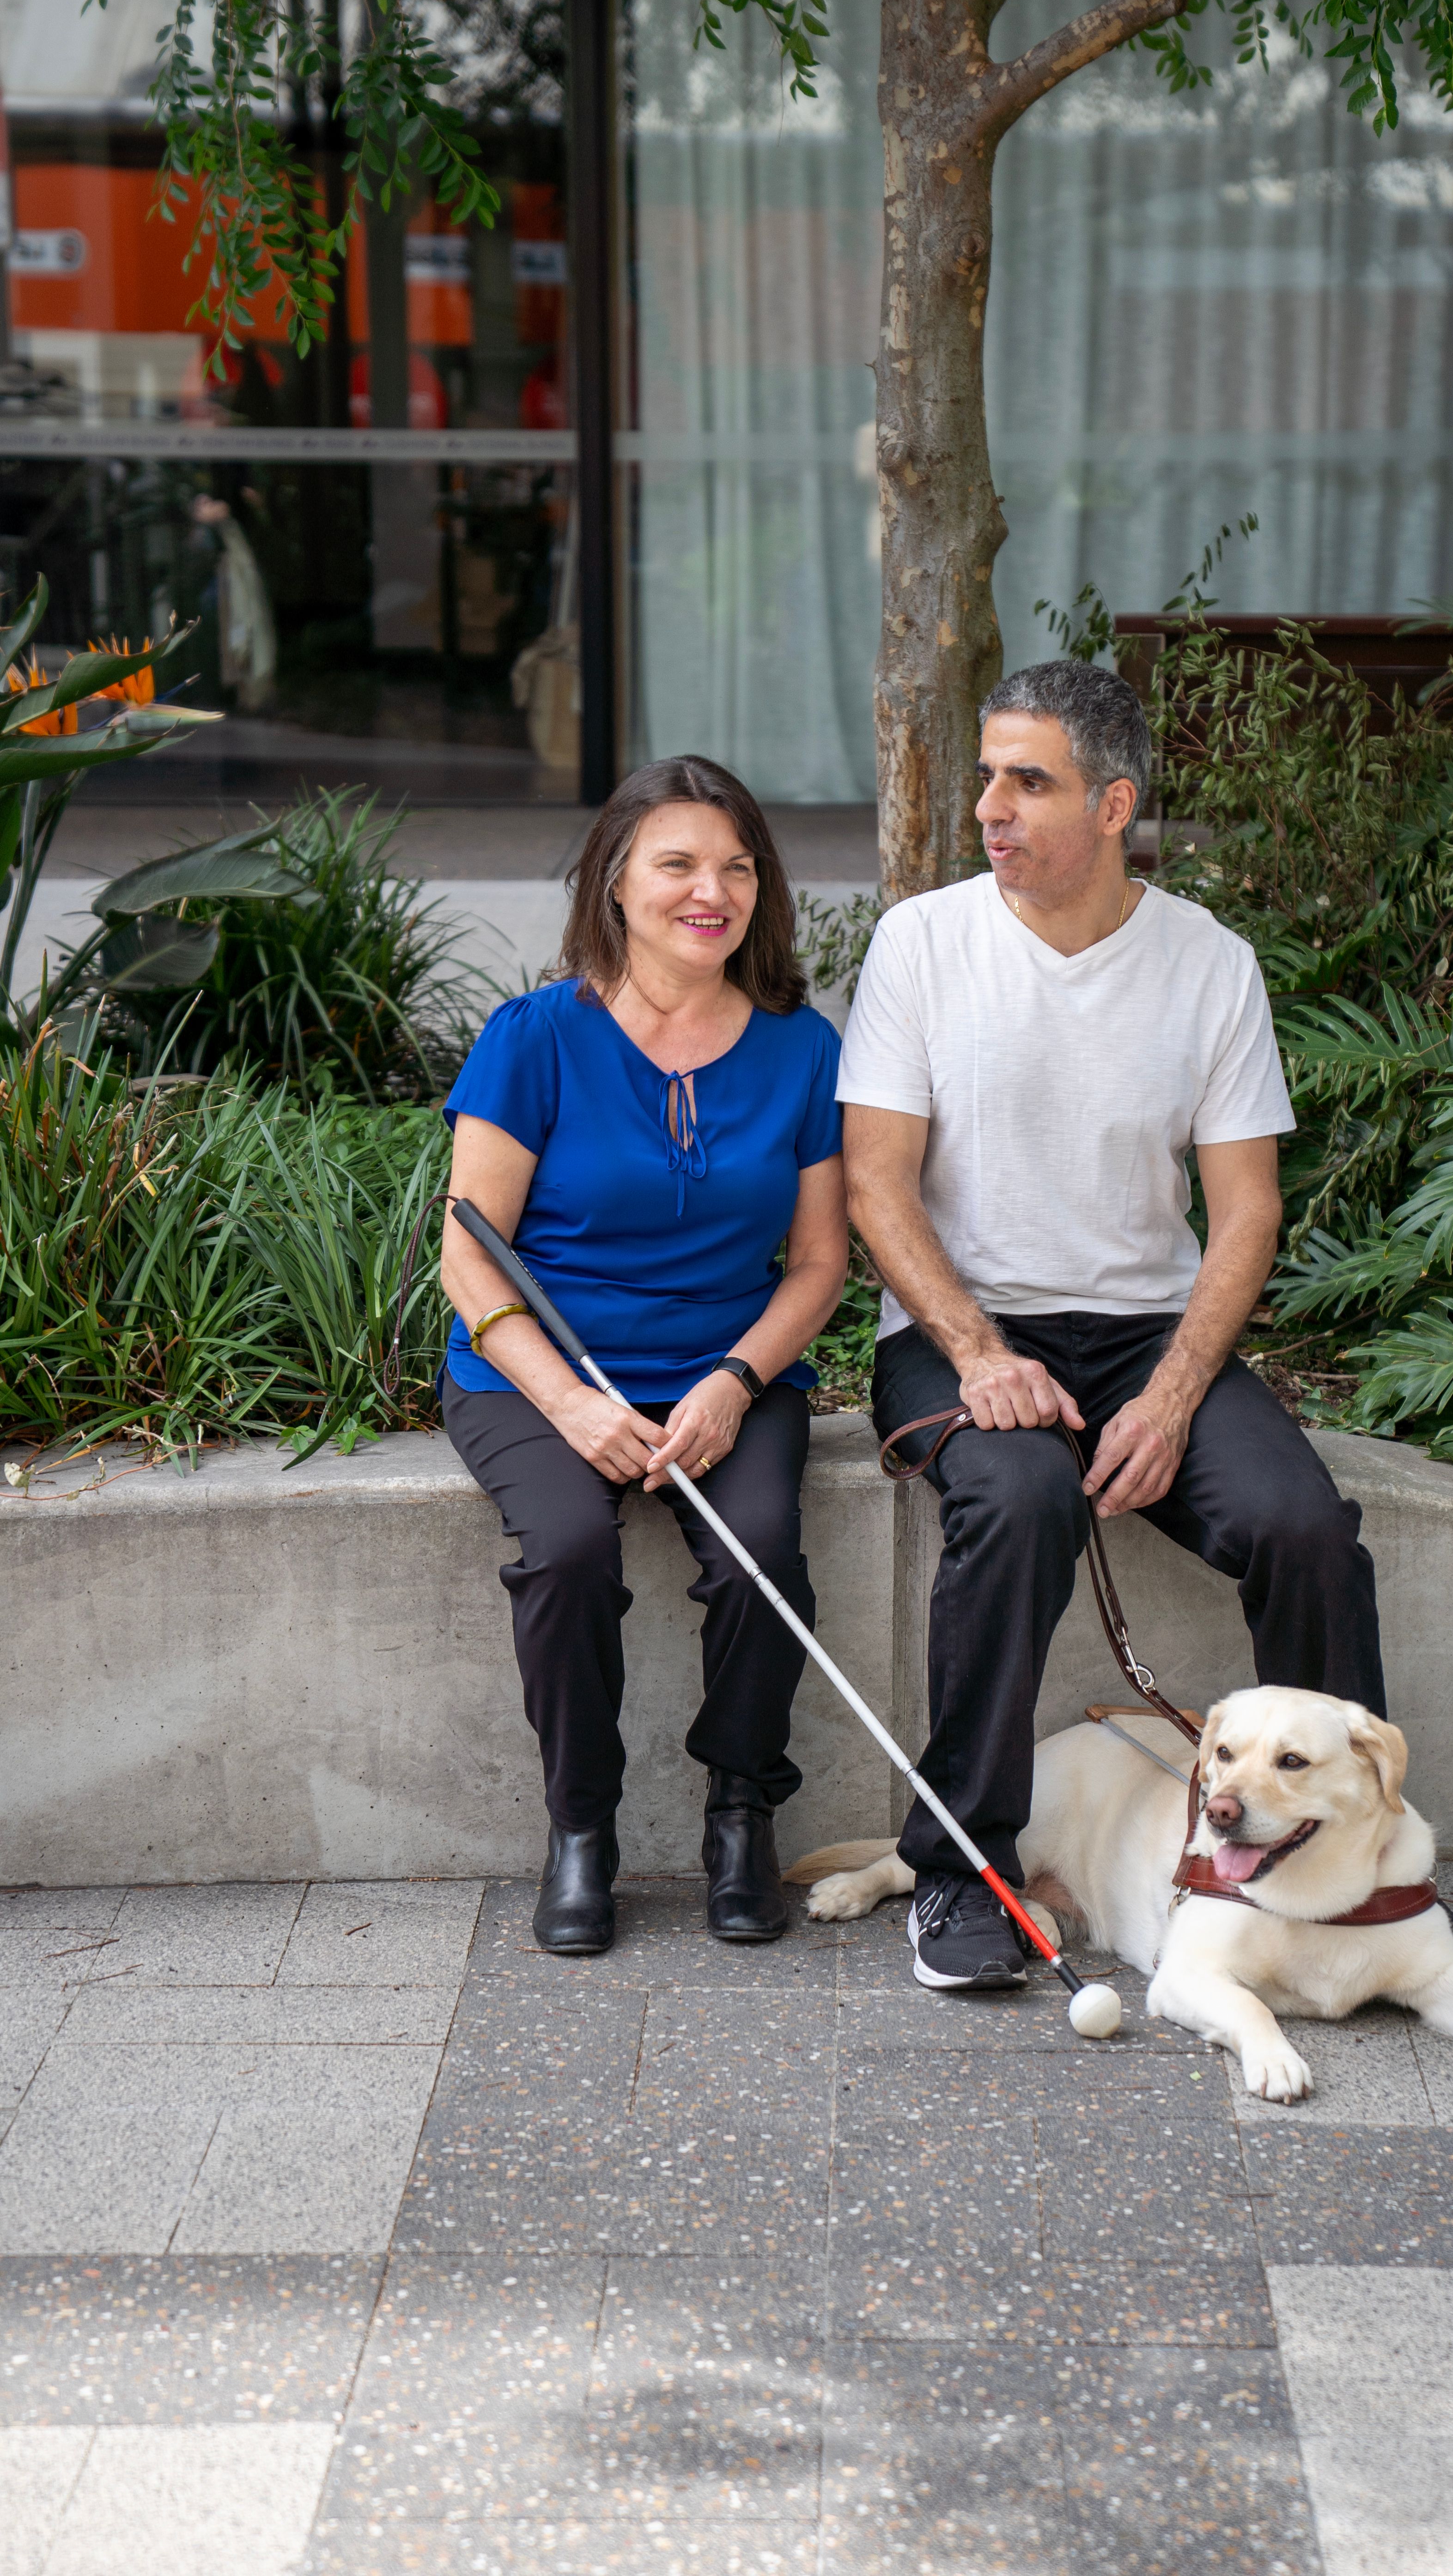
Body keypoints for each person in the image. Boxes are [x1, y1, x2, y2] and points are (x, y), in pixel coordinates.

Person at [838, 659, 1386, 1994]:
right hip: (960, 1327)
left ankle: (1350, 1865)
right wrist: (980, 1353)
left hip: (1149, 1333)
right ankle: (965, 1870)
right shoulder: (922, 943)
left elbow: (1245, 1210)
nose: (990, 808)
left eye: (1028, 782)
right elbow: (875, 1184)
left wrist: (1177, 1392)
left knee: (1305, 1532)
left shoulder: (1208, 963)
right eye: (988, 777)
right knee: (1022, 1499)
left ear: (1115, 805)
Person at [441, 756, 848, 1957]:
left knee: (763, 1556)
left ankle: (741, 1812)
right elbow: (469, 1254)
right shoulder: (535, 1038)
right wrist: (572, 1406)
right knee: (568, 1553)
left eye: (737, 867)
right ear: (616, 882)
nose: (711, 892)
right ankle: (582, 1828)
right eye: (678, 864)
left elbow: (819, 1265)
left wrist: (735, 1382)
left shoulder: (801, 1049)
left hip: (730, 1366)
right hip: (537, 1373)